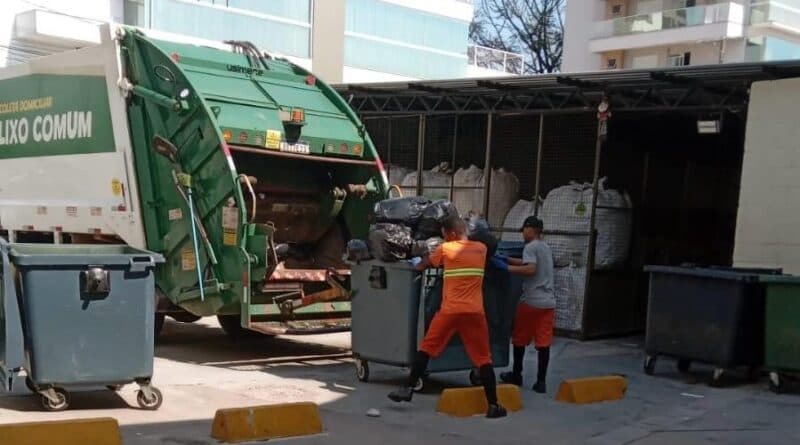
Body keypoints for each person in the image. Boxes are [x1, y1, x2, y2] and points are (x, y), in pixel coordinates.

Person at [388, 215, 507, 419]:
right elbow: (490, 242)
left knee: (426, 349)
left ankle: (407, 389)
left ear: (451, 233)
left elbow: (423, 265)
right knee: (483, 358)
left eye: (444, 234)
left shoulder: (445, 249)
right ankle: (494, 405)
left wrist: (414, 263)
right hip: (474, 313)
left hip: (450, 312)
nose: (443, 238)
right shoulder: (481, 249)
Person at [493, 216, 555, 393]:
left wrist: (506, 268)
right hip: (548, 303)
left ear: (531, 229)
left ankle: (517, 374)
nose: (522, 233)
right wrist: (508, 259)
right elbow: (529, 262)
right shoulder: (544, 247)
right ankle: (541, 382)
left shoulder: (530, 246)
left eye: (524, 230)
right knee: (543, 343)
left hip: (531, 302)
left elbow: (530, 269)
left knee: (519, 339)